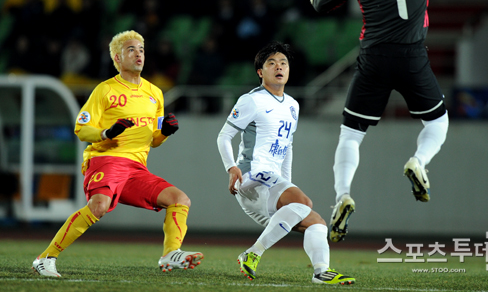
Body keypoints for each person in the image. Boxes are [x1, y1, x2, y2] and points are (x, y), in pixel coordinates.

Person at [309, 0, 488, 243]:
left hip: (373, 58)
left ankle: (342, 196)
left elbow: (321, 4)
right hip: (412, 56)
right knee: (437, 125)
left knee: (350, 136)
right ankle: (418, 162)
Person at [32, 30, 203, 277]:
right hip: (105, 161)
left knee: (179, 199)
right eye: (131, 49)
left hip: (136, 169)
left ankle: (170, 254)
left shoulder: (155, 93)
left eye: (141, 49)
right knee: (98, 206)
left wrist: (165, 132)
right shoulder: (105, 90)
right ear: (117, 58)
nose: (138, 54)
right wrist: (106, 133)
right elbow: (81, 129)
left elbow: (154, 141)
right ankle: (45, 258)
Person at [216, 41, 355, 285]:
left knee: (316, 222)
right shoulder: (252, 101)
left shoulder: (292, 105)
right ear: (261, 72)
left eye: (283, 63)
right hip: (251, 177)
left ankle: (321, 272)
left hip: (271, 182)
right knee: (304, 202)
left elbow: (287, 146)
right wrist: (231, 167)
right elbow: (224, 136)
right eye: (271, 63)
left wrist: (287, 184)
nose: (279, 67)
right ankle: (253, 253)